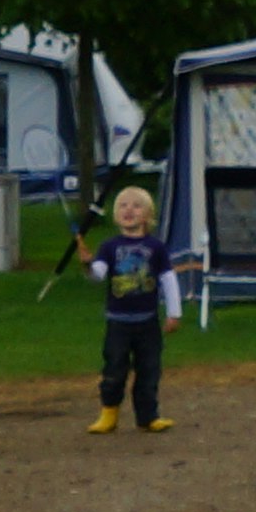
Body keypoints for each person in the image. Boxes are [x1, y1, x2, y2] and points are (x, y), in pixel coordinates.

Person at [87, 179, 175, 433]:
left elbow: (168, 280)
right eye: (123, 205)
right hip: (118, 322)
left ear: (148, 215)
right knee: (114, 368)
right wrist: (87, 264)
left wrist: (174, 313)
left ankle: (148, 416)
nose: (129, 210)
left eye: (136, 206)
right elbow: (98, 275)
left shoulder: (156, 248)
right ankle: (109, 413)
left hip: (148, 322)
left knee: (149, 370)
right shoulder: (109, 247)